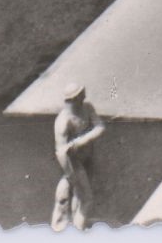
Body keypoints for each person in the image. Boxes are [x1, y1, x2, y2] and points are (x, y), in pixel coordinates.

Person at [53, 82, 105, 232]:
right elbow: (61, 152)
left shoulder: (87, 108)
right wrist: (71, 175)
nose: (85, 95)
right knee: (86, 198)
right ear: (74, 98)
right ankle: (75, 230)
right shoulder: (63, 122)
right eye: (81, 93)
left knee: (79, 195)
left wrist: (80, 142)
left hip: (87, 157)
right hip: (74, 163)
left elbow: (100, 127)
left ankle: (74, 225)